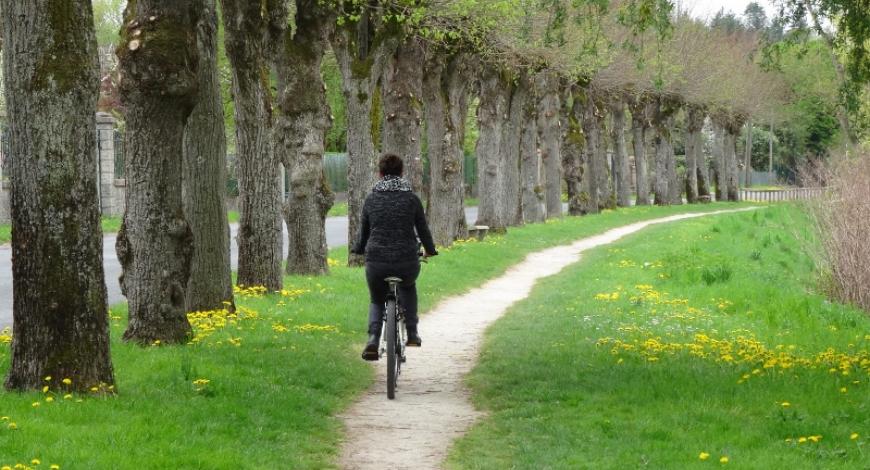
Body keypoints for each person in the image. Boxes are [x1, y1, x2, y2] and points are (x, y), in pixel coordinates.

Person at [350, 153, 438, 361]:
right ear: (402, 172)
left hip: (377, 262)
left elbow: (364, 233)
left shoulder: (371, 199)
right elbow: (423, 231)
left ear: (380, 174)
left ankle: (373, 338)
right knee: (408, 286)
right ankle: (413, 332)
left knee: (377, 299)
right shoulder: (412, 199)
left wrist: (358, 249)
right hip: (407, 260)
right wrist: (431, 250)